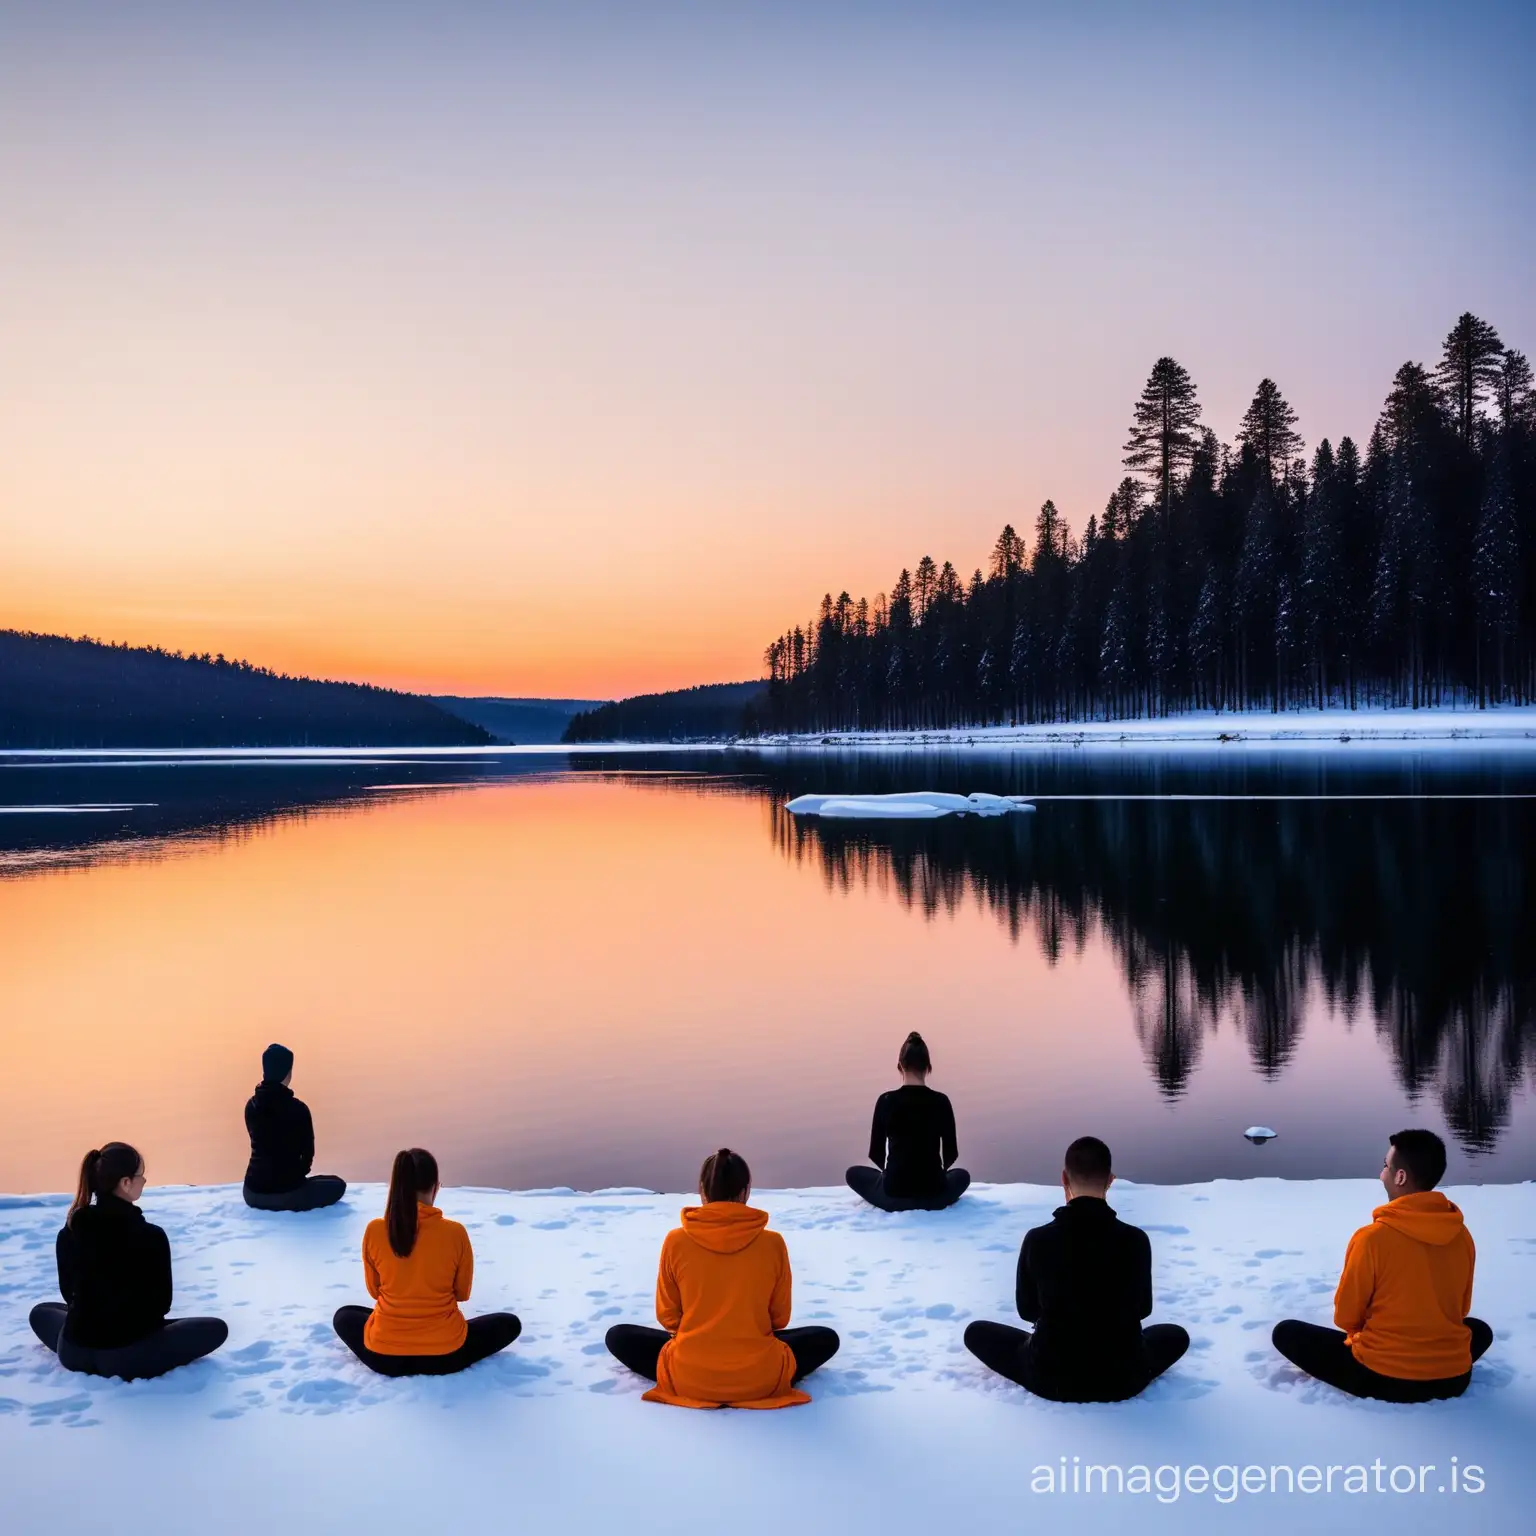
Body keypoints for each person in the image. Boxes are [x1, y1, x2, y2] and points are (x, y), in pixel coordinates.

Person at [605, 1147, 839, 1407]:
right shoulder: (773, 1243)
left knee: (619, 1336)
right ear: (745, 1191)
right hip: (761, 1377)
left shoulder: (676, 1241)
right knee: (825, 1338)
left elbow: (668, 1318)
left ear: (703, 1191)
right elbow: (779, 1319)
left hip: (689, 1376)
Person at [1271, 1129, 1492, 1402]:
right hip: (1453, 1378)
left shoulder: (1372, 1238)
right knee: (1479, 1330)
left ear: (1400, 1177)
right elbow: (1460, 1309)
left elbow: (1346, 1318)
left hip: (1383, 1378)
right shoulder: (1462, 1235)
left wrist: (1379, 1339)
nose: (1381, 1173)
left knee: (1286, 1332)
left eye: (1386, 1166)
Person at [963, 1136, 1188, 1402]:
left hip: (1052, 1377)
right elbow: (1143, 1309)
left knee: (976, 1333)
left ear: (1063, 1179)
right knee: (1175, 1336)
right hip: (1123, 1377)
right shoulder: (1135, 1240)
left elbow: (1027, 1311)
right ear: (1111, 1180)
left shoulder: (1038, 1239)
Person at [28, 1143, 229, 1381]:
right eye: (140, 1175)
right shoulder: (151, 1237)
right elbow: (160, 1306)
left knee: (41, 1312)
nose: (144, 1181)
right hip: (128, 1357)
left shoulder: (70, 1230)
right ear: (125, 1183)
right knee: (215, 1329)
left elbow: (68, 1294)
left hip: (73, 1351)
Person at [332, 1147, 520, 1377]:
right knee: (509, 1324)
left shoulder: (375, 1230)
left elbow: (375, 1290)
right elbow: (462, 1293)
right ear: (434, 1186)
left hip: (384, 1357)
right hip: (445, 1355)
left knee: (345, 1316)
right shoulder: (455, 1233)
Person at [846, 1031, 970, 1211]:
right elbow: (950, 1154)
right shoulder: (941, 1101)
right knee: (962, 1176)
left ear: (900, 1066)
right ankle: (927, 1194)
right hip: (934, 1190)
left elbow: (877, 1154)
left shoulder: (886, 1101)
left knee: (853, 1174)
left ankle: (899, 1196)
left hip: (895, 1191)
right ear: (928, 1067)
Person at [242, 1043, 347, 1212]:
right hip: (286, 1194)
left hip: (251, 1192)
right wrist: (293, 1177)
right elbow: (307, 1155)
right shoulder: (298, 1109)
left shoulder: (251, 1106)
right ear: (287, 1073)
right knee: (337, 1185)